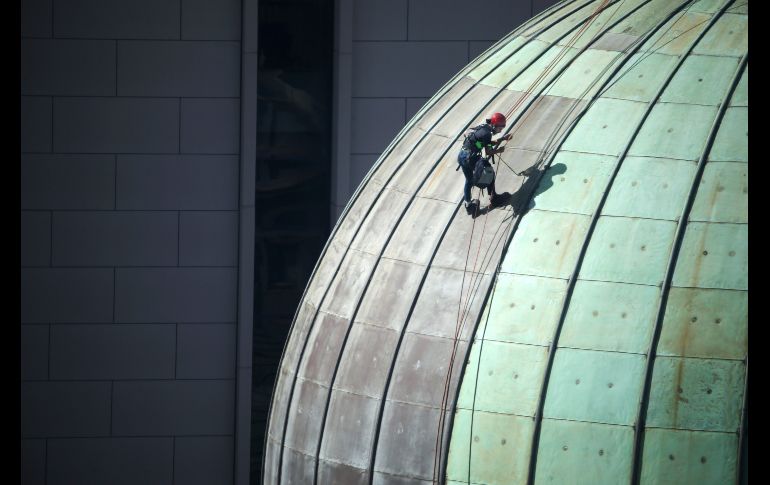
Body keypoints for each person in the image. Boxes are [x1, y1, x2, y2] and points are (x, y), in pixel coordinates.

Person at [457, 112, 512, 214]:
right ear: (495, 125)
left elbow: (483, 142)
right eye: (500, 128)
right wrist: (499, 150)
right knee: (489, 172)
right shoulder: (487, 133)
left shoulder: (484, 127)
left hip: (462, 156)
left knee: (469, 180)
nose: (501, 130)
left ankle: (469, 206)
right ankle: (494, 198)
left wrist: (503, 138)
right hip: (470, 158)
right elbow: (487, 151)